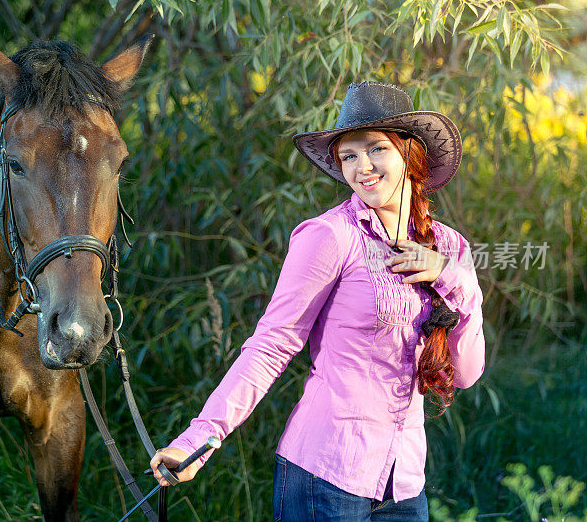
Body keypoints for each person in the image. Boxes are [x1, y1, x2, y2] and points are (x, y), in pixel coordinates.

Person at [149, 81, 485, 520]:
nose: (362, 166)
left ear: (410, 153)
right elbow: (271, 346)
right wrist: (197, 441)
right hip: (326, 478)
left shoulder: (449, 247)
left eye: (376, 149)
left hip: (404, 487)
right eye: (349, 155)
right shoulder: (330, 236)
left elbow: (466, 374)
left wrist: (452, 278)